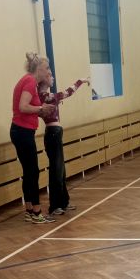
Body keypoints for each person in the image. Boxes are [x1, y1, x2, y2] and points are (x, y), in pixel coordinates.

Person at [10, 52, 56, 224]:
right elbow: (23, 107)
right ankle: (37, 212)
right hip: (22, 132)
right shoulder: (30, 81)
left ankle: (29, 210)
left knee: (28, 172)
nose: (48, 71)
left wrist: (41, 110)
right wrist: (41, 109)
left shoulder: (28, 81)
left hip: (21, 131)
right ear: (39, 69)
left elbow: (26, 108)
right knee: (33, 172)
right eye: (46, 68)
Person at [38, 70, 89, 215]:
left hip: (56, 134)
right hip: (52, 134)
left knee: (61, 171)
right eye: (50, 75)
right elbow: (67, 93)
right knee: (56, 171)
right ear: (44, 79)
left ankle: (64, 202)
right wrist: (80, 81)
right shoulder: (45, 96)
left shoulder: (46, 96)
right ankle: (54, 206)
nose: (53, 78)